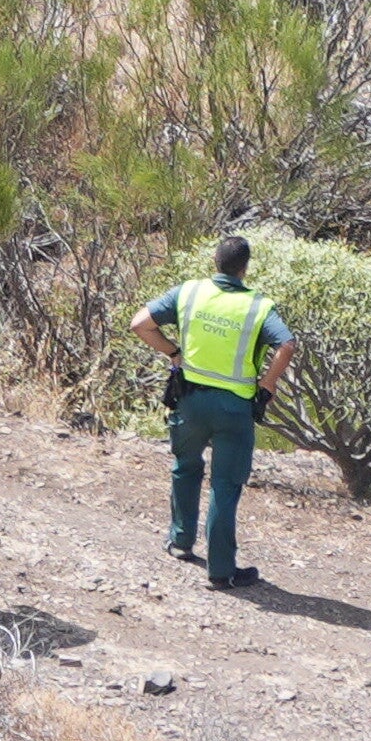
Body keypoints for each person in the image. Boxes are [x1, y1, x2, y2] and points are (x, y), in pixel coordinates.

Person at [136, 234, 293, 589]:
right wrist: (268, 382)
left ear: (214, 261)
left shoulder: (189, 292)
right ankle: (221, 571)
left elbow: (140, 324)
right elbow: (287, 344)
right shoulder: (258, 306)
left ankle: (180, 541)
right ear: (245, 267)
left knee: (185, 468)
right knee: (225, 485)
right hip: (234, 408)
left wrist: (174, 353)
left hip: (190, 399)